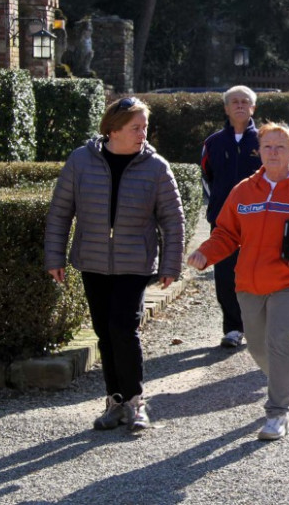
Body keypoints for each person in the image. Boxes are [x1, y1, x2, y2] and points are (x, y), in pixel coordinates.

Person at [188, 123, 289, 441]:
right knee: (257, 346)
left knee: (281, 340)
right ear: (259, 151)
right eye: (268, 146)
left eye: (280, 147)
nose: (273, 152)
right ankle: (283, 379)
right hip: (249, 282)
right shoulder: (244, 190)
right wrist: (205, 253)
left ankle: (278, 413)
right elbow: (226, 233)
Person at [45, 97, 184, 432]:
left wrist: (170, 265)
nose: (143, 133)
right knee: (104, 332)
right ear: (114, 129)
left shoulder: (156, 167)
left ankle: (136, 402)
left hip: (135, 262)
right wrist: (54, 257)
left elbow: (172, 220)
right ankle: (115, 401)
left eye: (144, 127)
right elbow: (60, 211)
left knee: (123, 328)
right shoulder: (80, 161)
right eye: (136, 127)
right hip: (92, 260)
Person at [200, 86, 262, 349]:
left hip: (259, 221)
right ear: (226, 108)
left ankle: (256, 326)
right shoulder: (213, 143)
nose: (239, 105)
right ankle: (233, 328)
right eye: (234, 102)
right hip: (223, 222)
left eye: (245, 101)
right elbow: (207, 178)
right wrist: (218, 206)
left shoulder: (265, 140)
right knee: (225, 277)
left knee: (256, 274)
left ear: (253, 108)